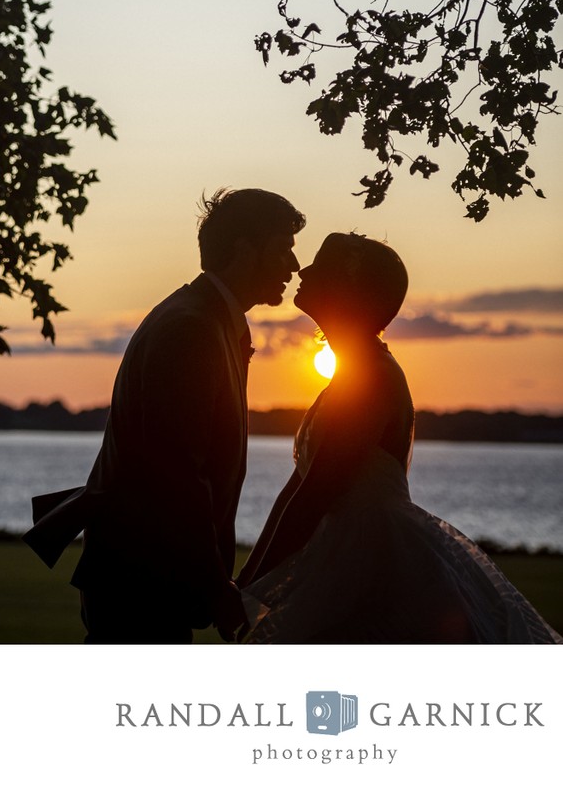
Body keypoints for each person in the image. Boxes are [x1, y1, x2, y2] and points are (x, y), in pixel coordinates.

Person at [237, 232, 562, 644]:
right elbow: (298, 485)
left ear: (347, 289)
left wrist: (253, 585)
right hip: (346, 548)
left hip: (374, 558)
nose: (305, 269)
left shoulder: (371, 377)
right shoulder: (350, 373)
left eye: (322, 265)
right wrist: (248, 579)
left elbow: (317, 493)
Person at [24, 186, 304, 643]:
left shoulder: (206, 319)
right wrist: (216, 588)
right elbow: (176, 474)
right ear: (243, 249)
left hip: (149, 574)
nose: (293, 266)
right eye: (283, 250)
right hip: (141, 577)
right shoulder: (190, 330)